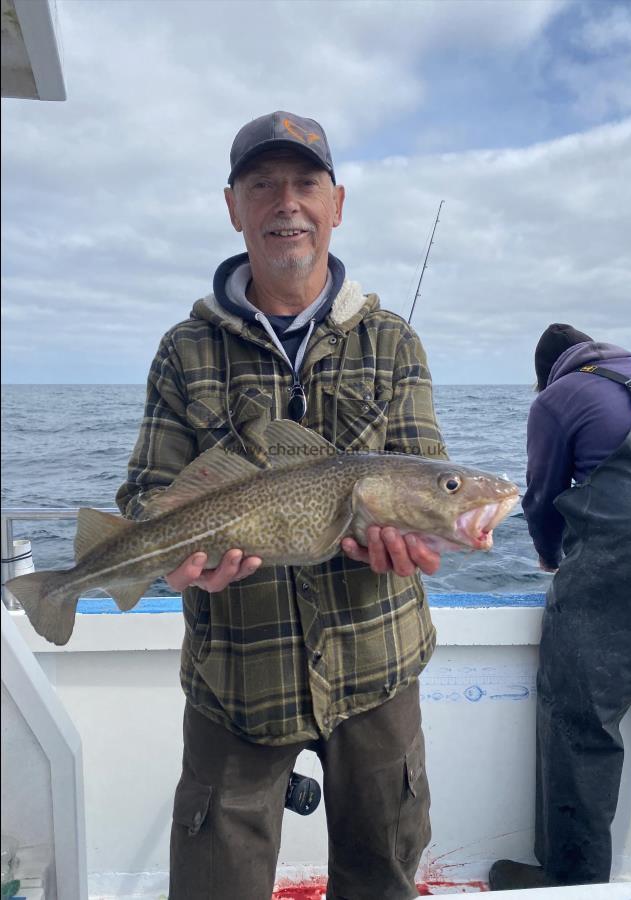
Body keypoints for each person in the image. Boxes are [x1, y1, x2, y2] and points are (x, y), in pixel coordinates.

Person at [116, 111, 449, 899]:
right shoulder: (183, 350)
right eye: (261, 185)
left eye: (304, 183)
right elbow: (142, 497)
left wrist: (416, 539)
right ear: (233, 206)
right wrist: (181, 561)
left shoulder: (392, 342)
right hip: (235, 670)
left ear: (337, 202)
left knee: (382, 879)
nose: (285, 203)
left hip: (378, 662)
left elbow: (427, 475)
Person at [489, 323, 631, 891]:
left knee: (582, 720)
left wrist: (548, 554)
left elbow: (542, 493)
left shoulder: (558, 396)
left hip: (627, 552)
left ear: (545, 373)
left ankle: (570, 883)